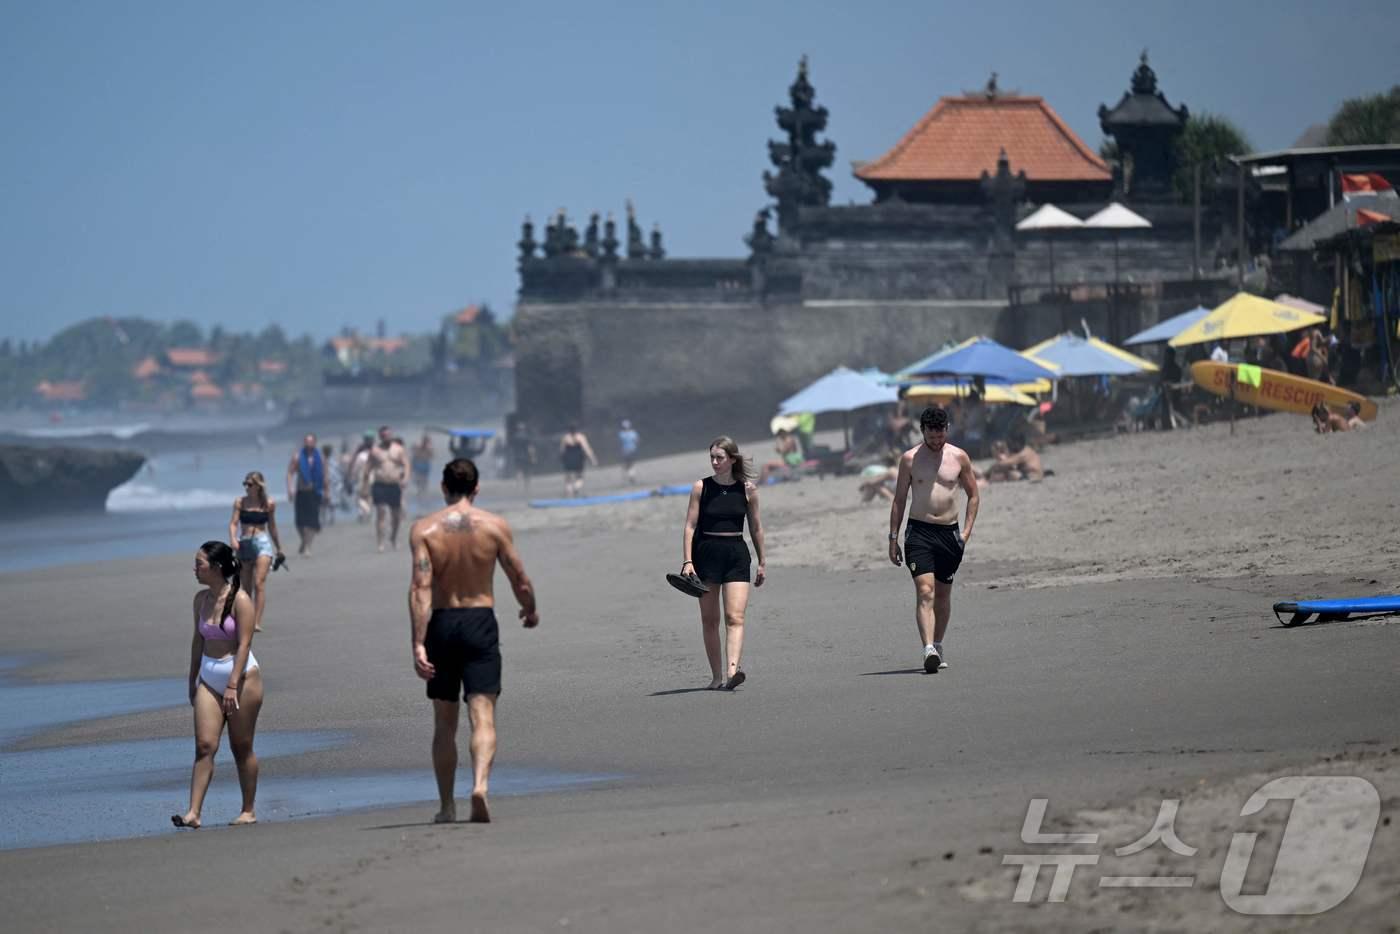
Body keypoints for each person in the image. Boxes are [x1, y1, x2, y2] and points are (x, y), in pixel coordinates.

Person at [408, 458, 539, 824]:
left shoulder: (424, 530)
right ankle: (480, 785)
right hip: (480, 621)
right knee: (482, 714)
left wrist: (418, 642)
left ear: (443, 487)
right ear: (477, 488)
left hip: (443, 622)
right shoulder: (494, 527)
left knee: (444, 721)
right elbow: (520, 578)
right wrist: (530, 609)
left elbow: (419, 588)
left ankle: (447, 806)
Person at [173, 541, 262, 829]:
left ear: (216, 567)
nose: (195, 568)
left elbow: (245, 643)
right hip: (209, 678)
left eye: (199, 563)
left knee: (241, 746)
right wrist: (193, 679)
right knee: (204, 745)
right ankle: (193, 813)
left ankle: (248, 809)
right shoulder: (200, 600)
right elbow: (198, 640)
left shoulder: (241, 600)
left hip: (242, 677)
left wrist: (233, 685)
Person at [888, 406, 980, 674]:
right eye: (931, 436)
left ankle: (938, 644)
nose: (937, 441)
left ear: (946, 430)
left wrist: (965, 533)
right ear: (923, 431)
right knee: (925, 591)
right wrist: (893, 538)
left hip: (949, 533)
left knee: (942, 594)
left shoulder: (959, 457)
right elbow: (899, 500)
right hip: (919, 532)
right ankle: (927, 648)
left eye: (940, 436)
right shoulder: (909, 459)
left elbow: (973, 495)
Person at [679, 437, 766, 690]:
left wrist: (762, 561)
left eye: (720, 457)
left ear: (732, 459)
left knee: (735, 616)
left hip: (737, 554)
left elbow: (757, 528)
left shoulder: (747, 489)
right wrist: (687, 561)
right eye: (712, 458)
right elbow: (689, 526)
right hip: (706, 553)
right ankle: (716, 677)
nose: (715, 462)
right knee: (710, 619)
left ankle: (732, 673)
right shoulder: (701, 487)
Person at [228, 471, 283, 632]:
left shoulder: (269, 503)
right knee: (246, 586)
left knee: (259, 582)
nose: (247, 487)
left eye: (250, 484)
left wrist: (279, 548)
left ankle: (257, 622)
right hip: (244, 543)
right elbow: (233, 523)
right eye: (245, 484)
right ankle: (247, 619)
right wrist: (233, 539)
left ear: (259, 486)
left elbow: (272, 526)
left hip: (262, 543)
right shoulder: (240, 502)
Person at [285, 433, 328, 557]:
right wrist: (290, 489)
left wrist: (327, 492)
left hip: (315, 492)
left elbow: (325, 476)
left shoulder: (321, 458)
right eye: (306, 441)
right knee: (299, 523)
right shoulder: (298, 457)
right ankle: (304, 540)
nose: (309, 444)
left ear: (315, 442)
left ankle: (308, 547)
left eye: (311, 441)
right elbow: (289, 473)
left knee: (312, 522)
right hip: (301, 492)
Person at [368, 425, 410, 551]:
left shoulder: (398, 449)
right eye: (383, 436)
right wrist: (365, 481)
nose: (386, 437)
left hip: (394, 485)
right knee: (381, 512)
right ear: (380, 437)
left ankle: (393, 537)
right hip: (379, 484)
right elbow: (368, 467)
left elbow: (406, 465)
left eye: (388, 435)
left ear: (391, 436)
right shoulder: (375, 450)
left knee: (395, 515)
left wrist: (405, 478)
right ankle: (380, 542)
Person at [559, 423, 598, 498]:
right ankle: (576, 488)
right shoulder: (581, 437)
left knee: (568, 478)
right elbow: (587, 449)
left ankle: (569, 493)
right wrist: (593, 459)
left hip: (568, 459)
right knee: (579, 477)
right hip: (578, 458)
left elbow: (562, 450)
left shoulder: (565, 438)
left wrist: (561, 459)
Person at [320, 444, 341, 527]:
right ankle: (328, 518)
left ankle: (326, 519)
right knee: (327, 503)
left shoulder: (329, 461)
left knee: (326, 503)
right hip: (328, 484)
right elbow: (338, 473)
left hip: (330, 484)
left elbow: (336, 474)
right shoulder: (332, 461)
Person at [411, 433, 435, 502]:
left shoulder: (429, 447)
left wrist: (429, 449)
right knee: (418, 479)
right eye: (426, 441)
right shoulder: (418, 445)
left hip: (425, 465)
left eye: (427, 441)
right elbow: (413, 451)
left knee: (424, 479)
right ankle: (420, 492)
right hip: (418, 464)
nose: (426, 443)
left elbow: (432, 456)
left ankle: (423, 492)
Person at [618, 419, 640, 485]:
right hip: (632, 450)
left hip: (625, 451)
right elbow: (637, 441)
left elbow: (620, 443)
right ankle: (631, 477)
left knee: (626, 465)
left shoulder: (621, 434)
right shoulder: (633, 433)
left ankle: (629, 477)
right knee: (631, 464)